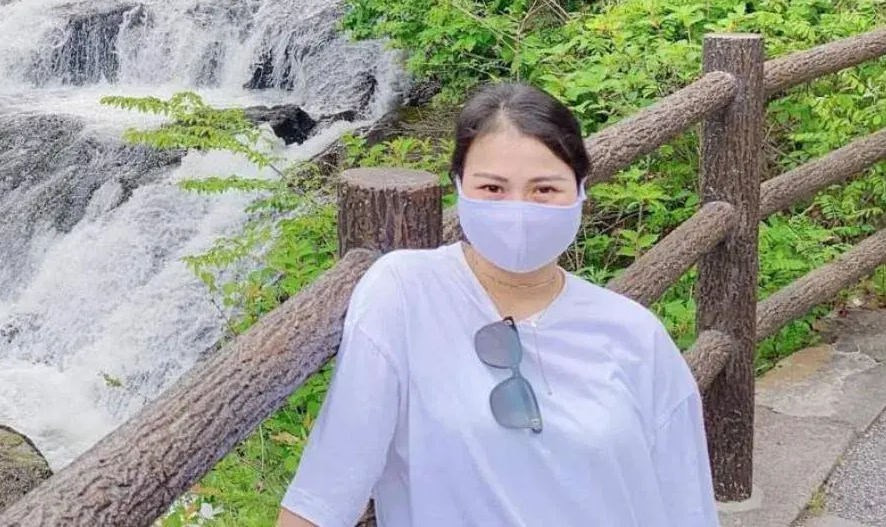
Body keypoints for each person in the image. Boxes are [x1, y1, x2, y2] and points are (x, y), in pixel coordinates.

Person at [277, 82, 718, 527]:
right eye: (492, 187)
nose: (519, 210)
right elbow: (326, 491)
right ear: (459, 186)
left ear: (582, 191)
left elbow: (685, 504)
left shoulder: (635, 334)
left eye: (544, 190)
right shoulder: (406, 293)